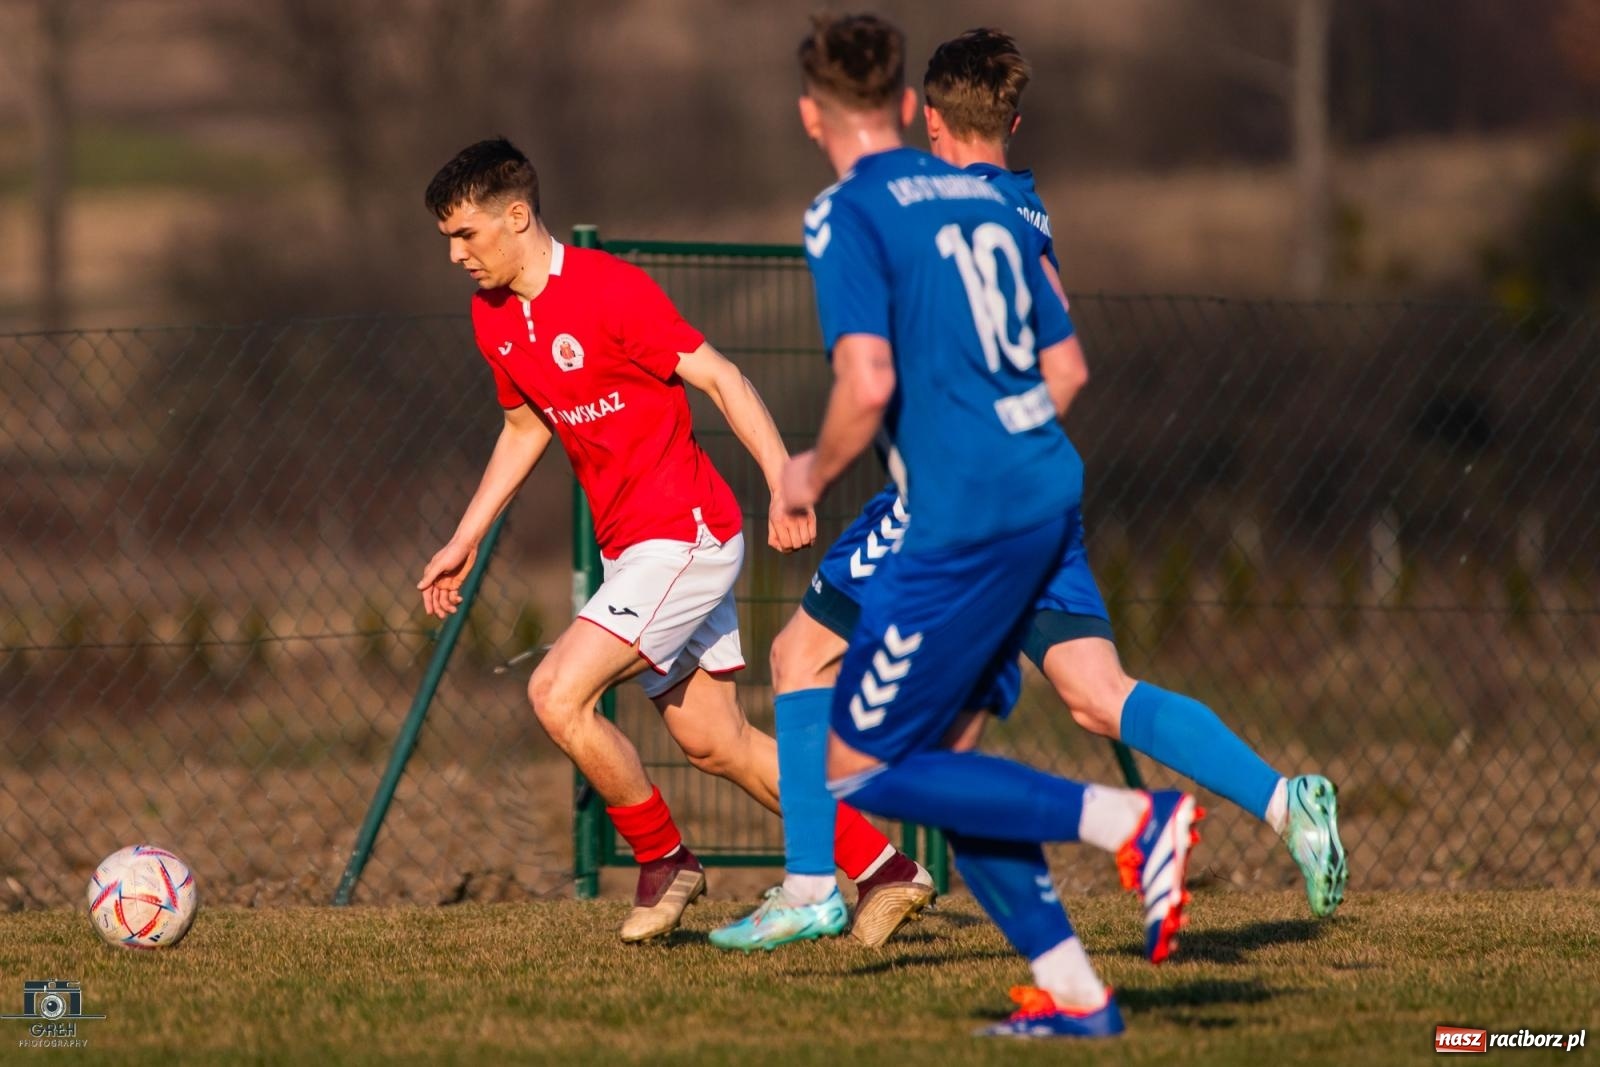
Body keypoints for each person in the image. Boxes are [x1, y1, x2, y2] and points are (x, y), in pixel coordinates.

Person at [752, 14, 1202, 1039]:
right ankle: (1078, 993)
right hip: (1045, 497)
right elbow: (1069, 366)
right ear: (910, 105)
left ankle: (1134, 821)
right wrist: (1004, 448)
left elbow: (864, 381)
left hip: (959, 525)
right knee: (948, 763)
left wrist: (804, 472)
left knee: (859, 762)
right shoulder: (991, 197)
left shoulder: (843, 215)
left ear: (809, 114)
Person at [417, 137, 932, 945]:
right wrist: (465, 537)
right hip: (637, 548)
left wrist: (781, 479)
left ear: (516, 216)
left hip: (684, 533)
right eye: (447, 238)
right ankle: (884, 868)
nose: (456, 255)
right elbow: (524, 428)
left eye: (467, 234)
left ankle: (665, 860)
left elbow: (722, 375)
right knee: (716, 742)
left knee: (556, 693)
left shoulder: (612, 290)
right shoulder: (493, 319)